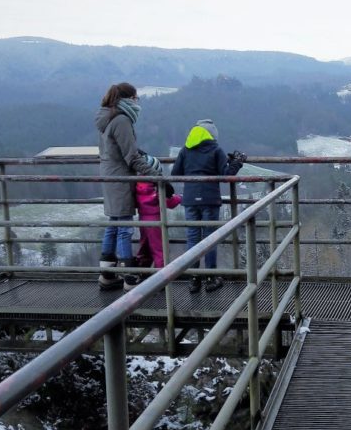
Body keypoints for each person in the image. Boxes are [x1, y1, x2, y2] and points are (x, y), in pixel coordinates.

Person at [95, 82, 162, 290]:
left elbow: (119, 149)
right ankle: (130, 279)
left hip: (109, 175)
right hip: (121, 178)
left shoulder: (107, 117)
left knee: (114, 223)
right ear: (127, 99)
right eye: (136, 98)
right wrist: (157, 175)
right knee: (124, 226)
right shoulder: (122, 120)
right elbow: (130, 157)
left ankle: (107, 274)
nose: (137, 102)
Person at [171, 119, 246, 293]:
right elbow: (226, 175)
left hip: (190, 199)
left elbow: (176, 173)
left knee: (192, 238)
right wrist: (237, 161)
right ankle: (211, 278)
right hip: (210, 199)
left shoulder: (185, 150)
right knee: (209, 238)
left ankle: (194, 278)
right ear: (212, 134)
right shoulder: (215, 150)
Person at [135, 179, 182, 269]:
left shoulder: (138, 183)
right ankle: (161, 276)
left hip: (142, 219)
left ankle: (142, 274)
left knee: (145, 248)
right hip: (155, 219)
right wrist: (179, 198)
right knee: (160, 250)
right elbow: (169, 202)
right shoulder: (155, 185)